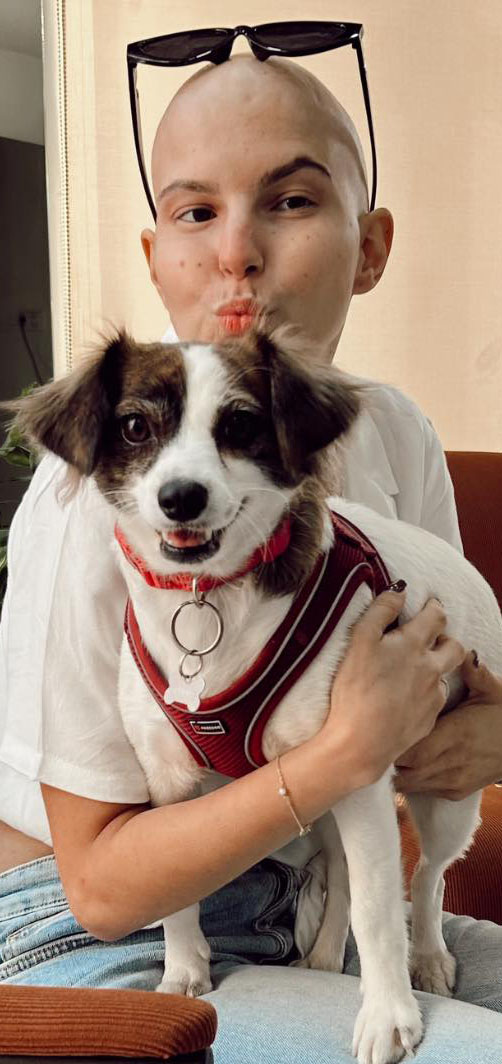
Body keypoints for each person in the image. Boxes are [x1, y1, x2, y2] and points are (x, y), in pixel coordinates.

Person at [1, 49, 502, 1064]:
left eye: (290, 200)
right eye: (196, 213)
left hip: (306, 901)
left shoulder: (393, 432)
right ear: (155, 255)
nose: (237, 252)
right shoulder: (97, 489)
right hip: (97, 937)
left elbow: (435, 692)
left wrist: (486, 734)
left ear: (370, 245)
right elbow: (101, 887)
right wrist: (341, 754)